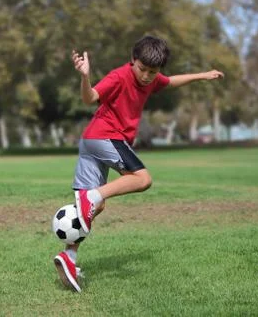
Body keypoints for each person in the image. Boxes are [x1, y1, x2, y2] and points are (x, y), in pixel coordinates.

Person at [54, 35, 224, 292]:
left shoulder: (153, 79)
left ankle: (69, 257)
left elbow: (172, 81)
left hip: (90, 141)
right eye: (142, 69)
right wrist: (85, 76)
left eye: (152, 72)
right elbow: (89, 99)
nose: (146, 76)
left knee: (90, 212)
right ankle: (92, 196)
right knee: (142, 179)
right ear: (133, 60)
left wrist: (203, 75)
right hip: (105, 136)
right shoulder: (120, 76)